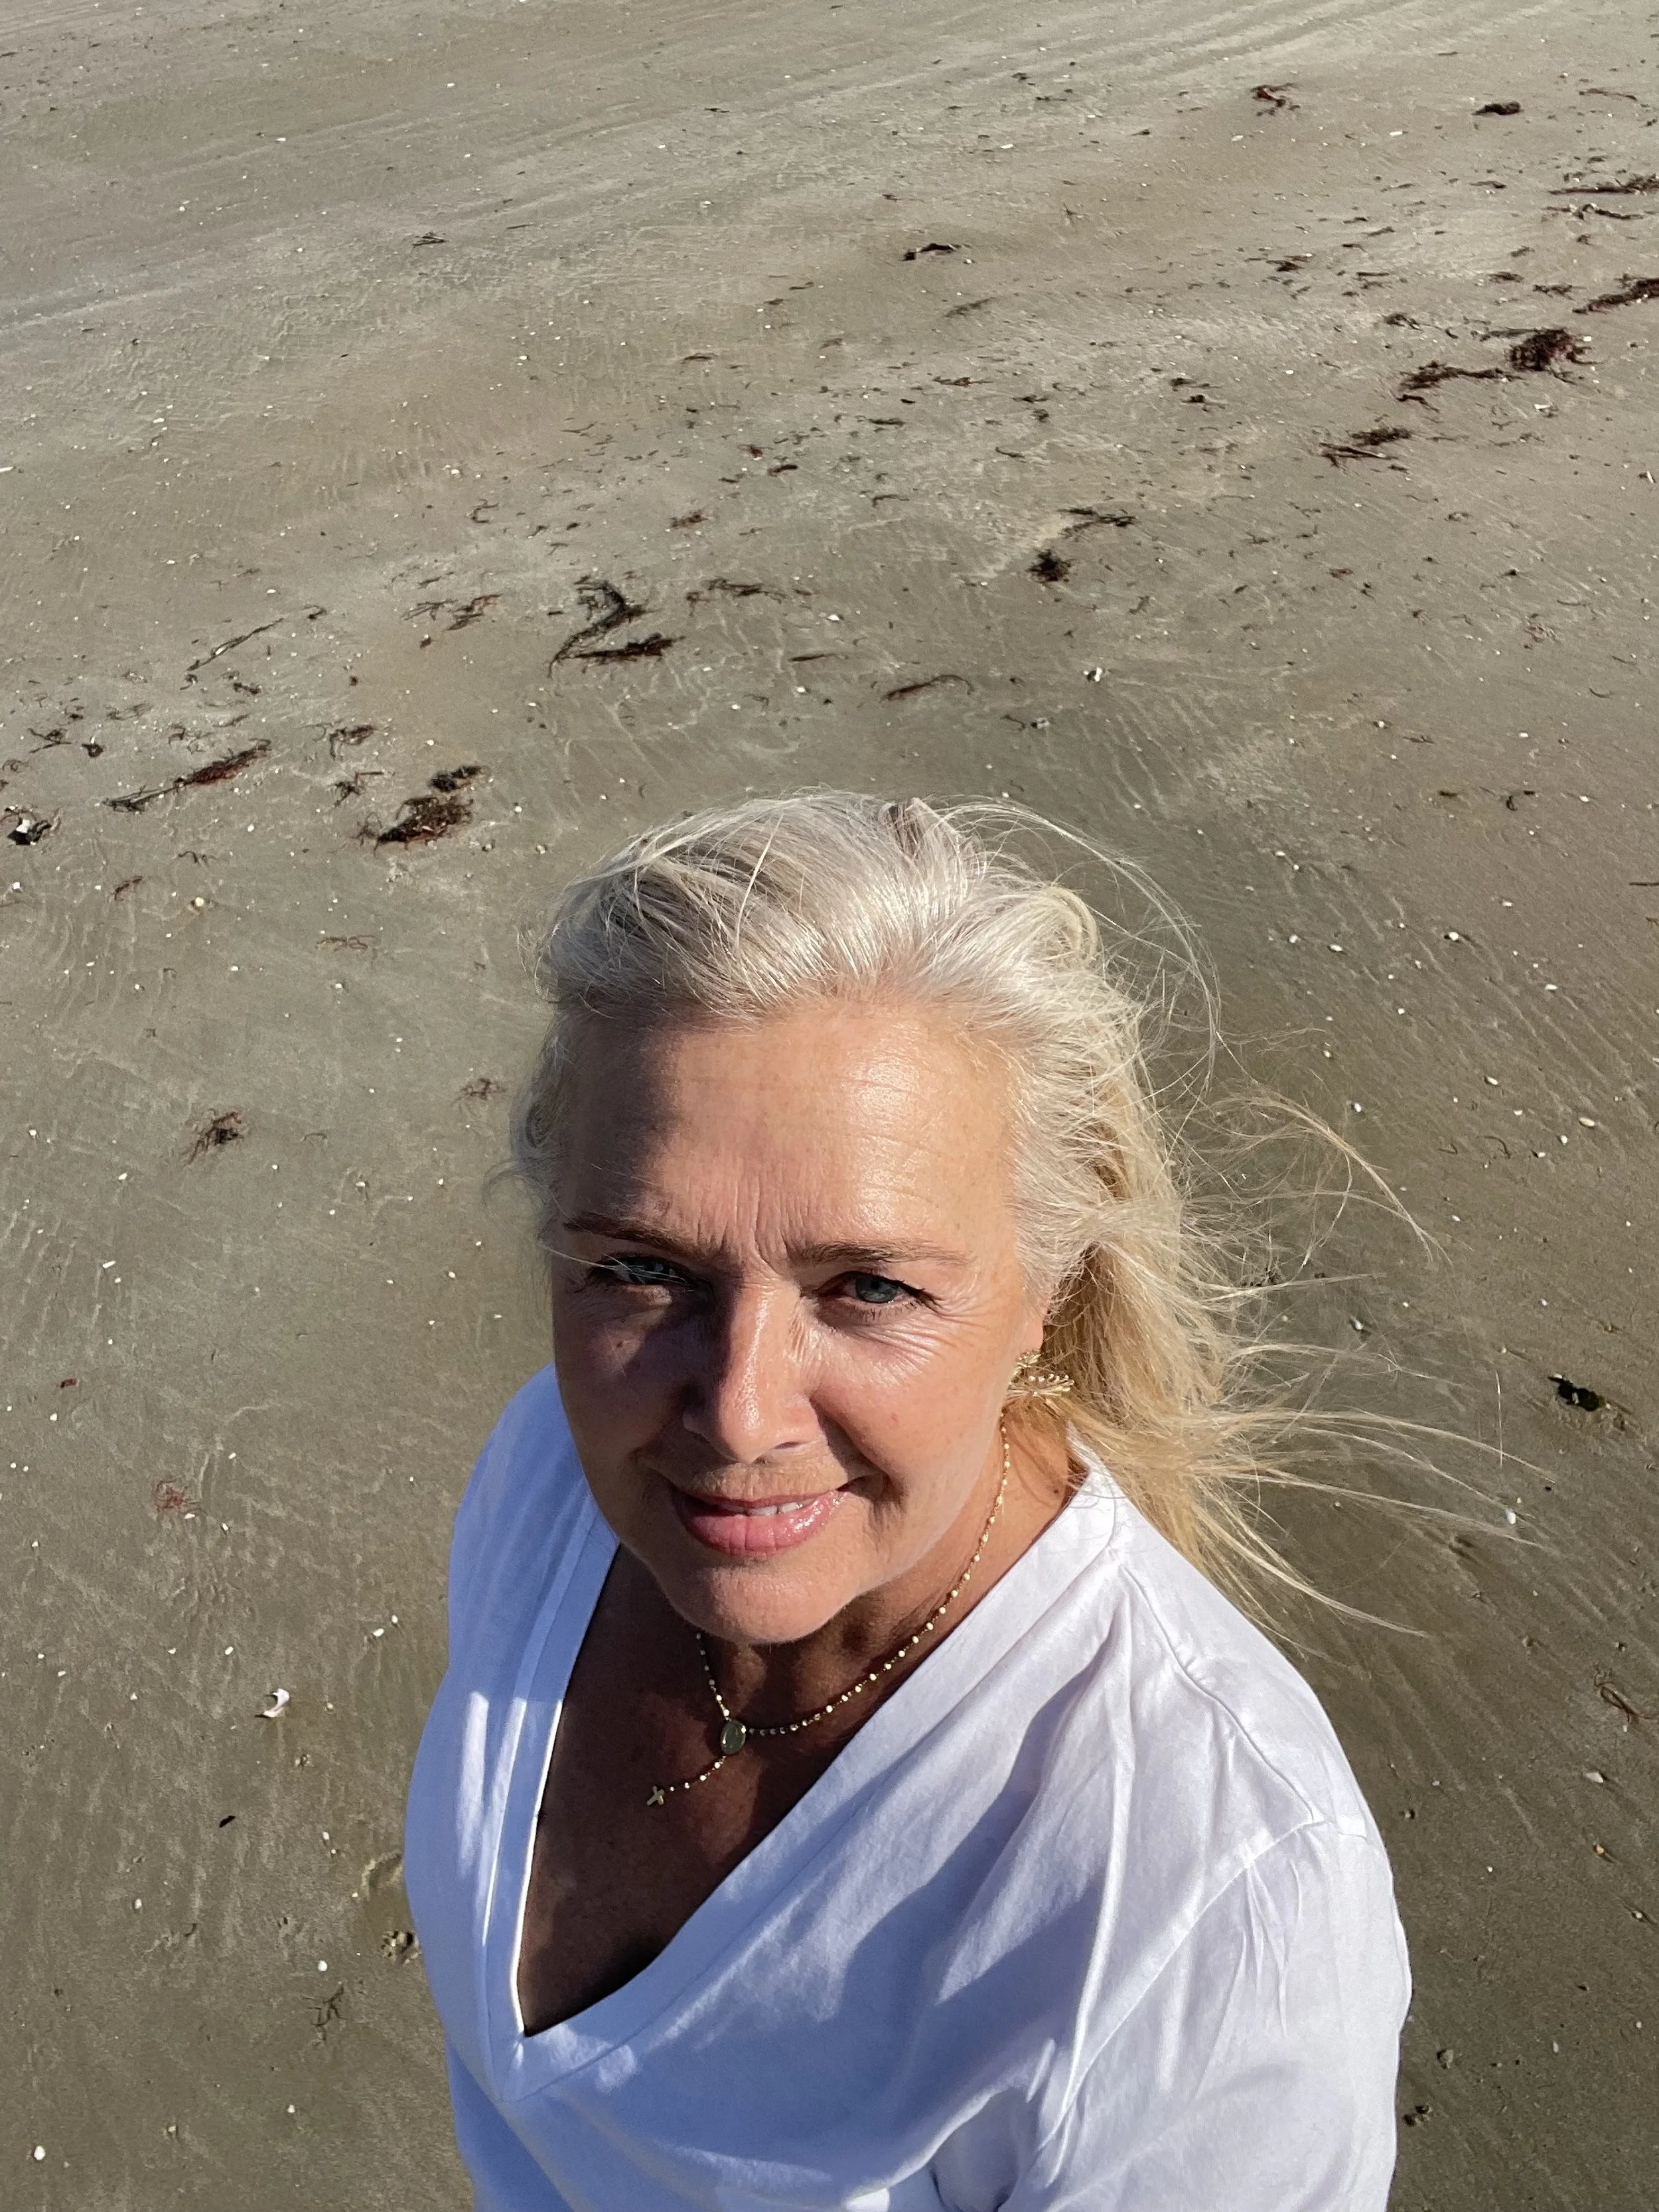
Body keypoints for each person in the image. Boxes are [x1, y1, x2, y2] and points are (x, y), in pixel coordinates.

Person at [404, 792, 1409, 2211]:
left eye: (868, 1287)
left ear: (1042, 1299)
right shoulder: (547, 1483)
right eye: (639, 1269)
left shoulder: (1206, 1908)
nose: (737, 1417)